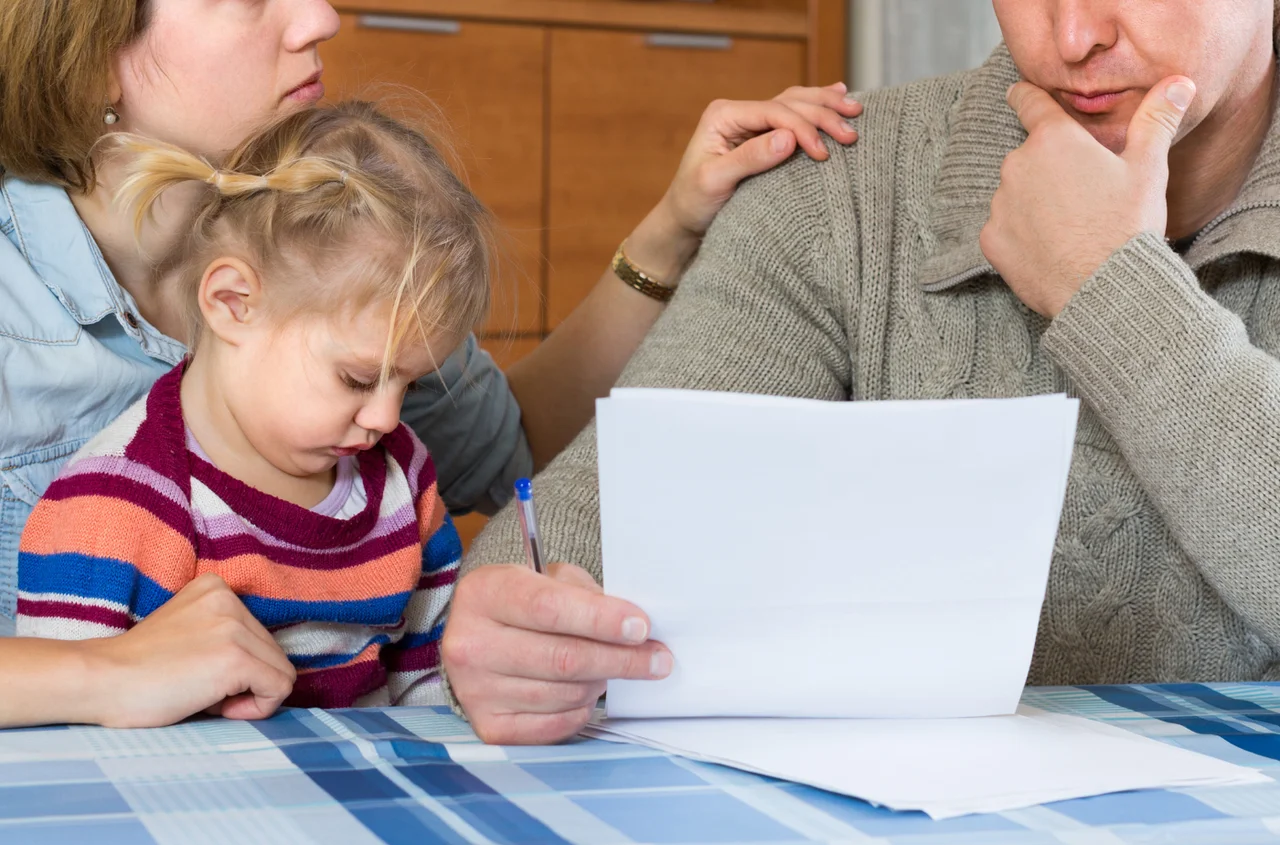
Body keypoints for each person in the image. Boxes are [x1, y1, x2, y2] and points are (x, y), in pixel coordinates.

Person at [0, 0, 860, 727]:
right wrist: (101, 673)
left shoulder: (331, 243)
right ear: (92, 52)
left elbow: (512, 445)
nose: (322, 18)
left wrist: (670, 231)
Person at [451, 0, 1280, 745]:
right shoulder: (836, 190)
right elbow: (566, 548)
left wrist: (1107, 286)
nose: (1071, 36)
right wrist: (513, 638)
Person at [17, 100, 496, 717]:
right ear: (232, 302)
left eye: (410, 386)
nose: (386, 418)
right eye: (357, 378)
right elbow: (68, 738)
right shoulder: (112, 508)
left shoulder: (405, 478)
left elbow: (430, 688)